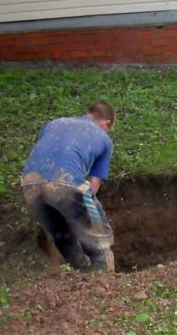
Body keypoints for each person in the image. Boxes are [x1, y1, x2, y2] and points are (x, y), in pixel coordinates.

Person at [21, 101, 116, 272]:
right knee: (98, 238)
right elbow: (94, 184)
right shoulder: (104, 139)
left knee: (61, 235)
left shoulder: (53, 124)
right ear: (106, 123)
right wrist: (79, 213)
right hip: (65, 180)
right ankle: (106, 280)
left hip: (29, 182)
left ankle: (82, 274)